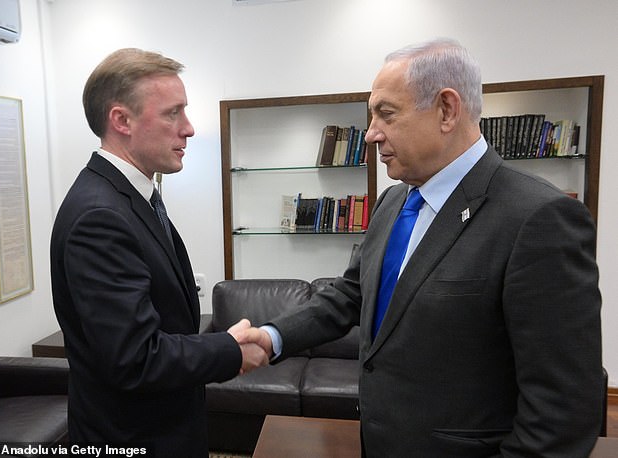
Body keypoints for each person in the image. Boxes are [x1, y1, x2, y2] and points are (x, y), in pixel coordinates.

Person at [248, 38, 604, 457]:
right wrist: (272, 336)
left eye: (386, 113)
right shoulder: (393, 201)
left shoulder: (539, 219)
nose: (370, 134)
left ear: (447, 110)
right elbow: (351, 295)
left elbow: (562, 412)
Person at [50, 48, 268, 457]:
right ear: (121, 120)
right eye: (173, 113)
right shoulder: (100, 215)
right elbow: (136, 357)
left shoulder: (131, 197)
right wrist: (228, 348)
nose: (188, 128)